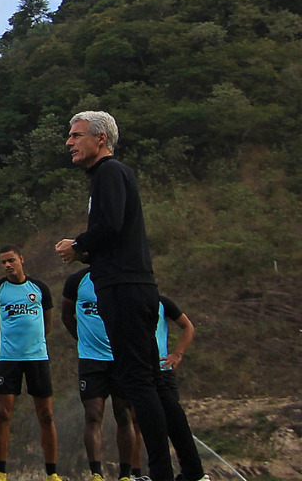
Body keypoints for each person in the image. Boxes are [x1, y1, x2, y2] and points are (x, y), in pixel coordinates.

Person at [55, 111, 208, 481]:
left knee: (138, 382)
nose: (69, 142)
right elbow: (115, 234)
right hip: (131, 286)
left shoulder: (110, 172)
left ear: (101, 139)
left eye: (76, 136)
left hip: (124, 289)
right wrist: (89, 250)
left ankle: (160, 472)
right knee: (153, 381)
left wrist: (77, 246)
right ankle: (191, 469)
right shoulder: (108, 177)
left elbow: (110, 225)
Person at [0, 246, 60, 481]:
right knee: (4, 414)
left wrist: (35, 343)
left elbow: (47, 325)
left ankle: (52, 473)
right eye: (3, 262)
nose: (7, 265)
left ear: (21, 259)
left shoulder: (39, 289)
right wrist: (8, 344)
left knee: (46, 415)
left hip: (37, 358)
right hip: (8, 359)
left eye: (11, 260)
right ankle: (0, 472)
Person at [62, 267, 136, 481]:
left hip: (119, 358)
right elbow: (67, 316)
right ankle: (97, 473)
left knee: (124, 414)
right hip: (91, 360)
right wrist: (83, 341)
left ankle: (125, 474)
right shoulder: (76, 280)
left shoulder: (121, 277)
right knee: (93, 414)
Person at [129, 294, 198, 481]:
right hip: (141, 374)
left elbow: (188, 326)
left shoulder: (162, 302)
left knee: (172, 424)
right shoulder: (125, 303)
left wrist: (178, 354)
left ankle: (189, 472)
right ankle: (144, 473)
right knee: (142, 424)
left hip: (162, 372)